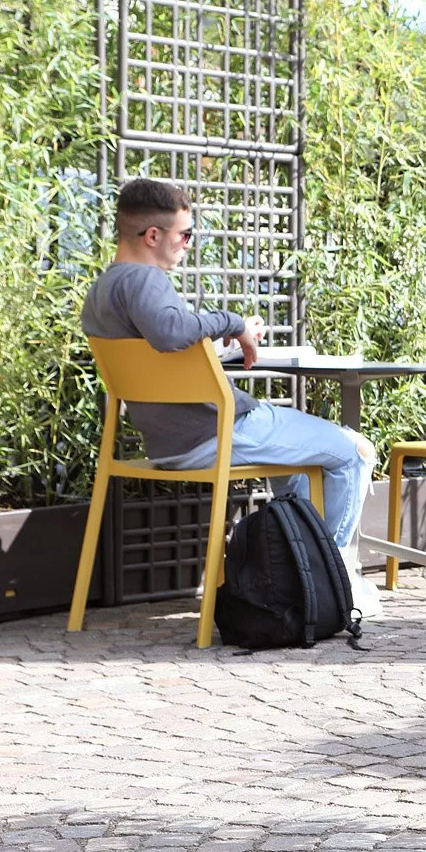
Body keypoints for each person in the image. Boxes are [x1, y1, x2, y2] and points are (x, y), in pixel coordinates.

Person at [80, 177, 381, 618]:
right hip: (218, 431)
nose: (188, 245)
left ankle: (298, 575)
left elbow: (166, 351)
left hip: (172, 442)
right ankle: (327, 583)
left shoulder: (102, 291)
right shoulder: (145, 281)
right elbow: (170, 332)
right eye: (185, 235)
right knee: (355, 450)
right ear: (152, 236)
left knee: (301, 464)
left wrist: (217, 346)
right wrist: (234, 323)